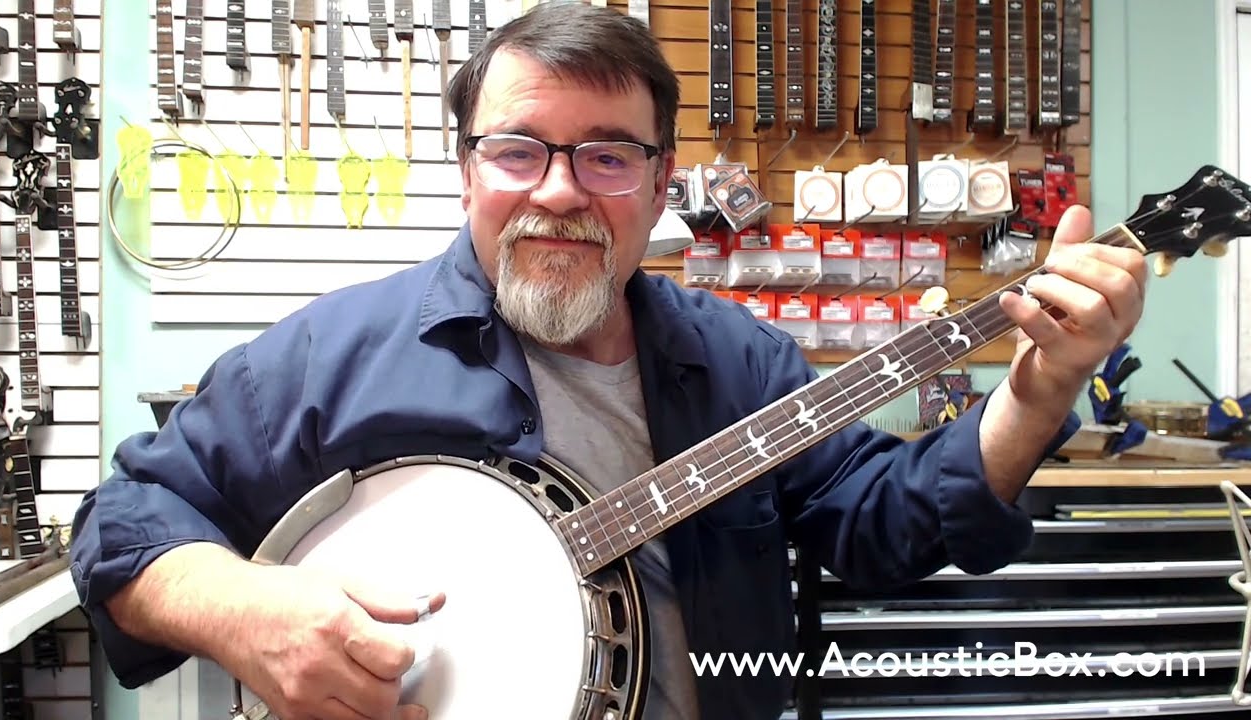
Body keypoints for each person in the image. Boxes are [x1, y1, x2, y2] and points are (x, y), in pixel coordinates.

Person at [69, 4, 1147, 720]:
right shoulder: (330, 356)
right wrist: (246, 611)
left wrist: (1037, 390)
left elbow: (881, 525)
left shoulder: (738, 361)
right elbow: (126, 523)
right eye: (517, 150)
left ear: (659, 180)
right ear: (467, 169)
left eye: (607, 156)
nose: (559, 190)